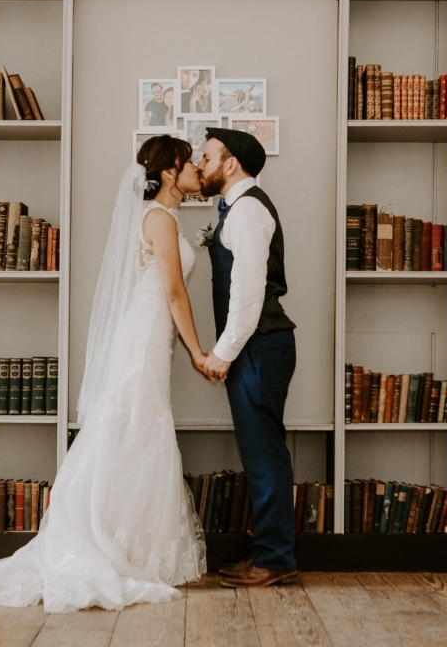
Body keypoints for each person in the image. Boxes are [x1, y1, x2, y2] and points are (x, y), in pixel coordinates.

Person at [0, 135, 209, 612]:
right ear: (170, 173)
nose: (197, 170)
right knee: (137, 430)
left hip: (148, 335)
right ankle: (114, 545)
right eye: (190, 163)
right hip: (148, 337)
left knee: (133, 431)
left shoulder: (160, 218)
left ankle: (124, 541)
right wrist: (198, 352)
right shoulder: (160, 218)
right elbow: (174, 294)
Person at [196, 128, 299, 588]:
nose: (200, 165)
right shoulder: (238, 209)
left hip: (259, 346)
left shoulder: (249, 209)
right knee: (262, 453)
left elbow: (249, 293)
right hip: (259, 347)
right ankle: (271, 553)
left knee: (264, 456)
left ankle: (275, 559)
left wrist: (222, 354)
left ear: (230, 163)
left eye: (207, 157)